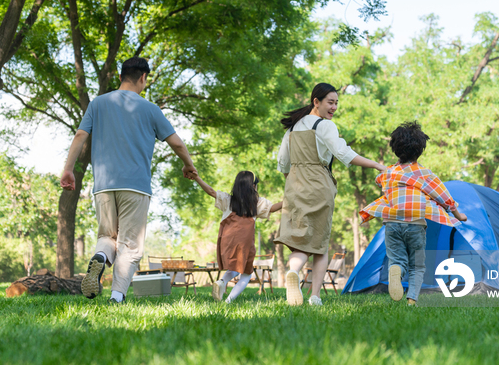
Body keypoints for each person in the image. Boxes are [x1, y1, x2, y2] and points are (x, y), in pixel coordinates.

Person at [60, 57, 197, 304]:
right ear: (143, 77)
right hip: (135, 186)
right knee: (130, 246)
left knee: (107, 237)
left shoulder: (98, 104)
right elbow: (176, 142)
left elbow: (80, 135)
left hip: (103, 185)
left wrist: (68, 170)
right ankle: (116, 296)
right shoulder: (151, 109)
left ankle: (100, 256)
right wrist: (188, 165)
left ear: (121, 75)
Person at [275, 83, 388, 306]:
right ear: (315, 101)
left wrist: (295, 180)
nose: (334, 107)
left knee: (299, 241)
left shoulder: (291, 129)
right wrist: (377, 165)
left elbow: (282, 163)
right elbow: (344, 153)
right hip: (318, 184)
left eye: (336, 103)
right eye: (330, 102)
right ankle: (315, 297)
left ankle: (294, 272)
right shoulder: (325, 126)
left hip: (294, 186)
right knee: (319, 242)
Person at [359, 121, 467, 306]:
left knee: (397, 259)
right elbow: (443, 195)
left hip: (392, 224)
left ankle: (395, 270)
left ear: (395, 149)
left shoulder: (389, 174)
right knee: (417, 265)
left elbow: (379, 181)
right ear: (420, 150)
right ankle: (411, 301)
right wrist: (458, 214)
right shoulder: (424, 174)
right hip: (415, 224)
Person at [191, 171, 282, 303]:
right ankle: (229, 301)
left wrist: (197, 178)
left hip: (227, 239)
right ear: (253, 186)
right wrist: (289, 200)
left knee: (236, 266)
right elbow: (273, 208)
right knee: (246, 273)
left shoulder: (228, 200)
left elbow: (211, 191)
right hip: (244, 242)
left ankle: (222, 281)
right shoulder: (256, 203)